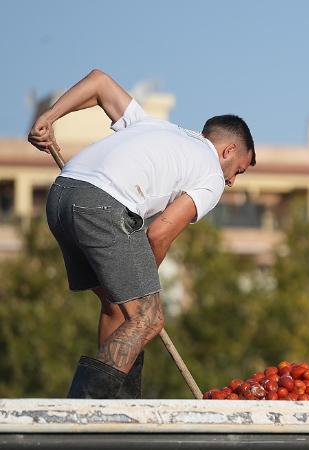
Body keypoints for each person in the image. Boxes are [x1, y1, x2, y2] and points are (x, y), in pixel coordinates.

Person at [27, 69, 255, 399]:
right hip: (104, 205)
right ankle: (85, 410)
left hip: (62, 197)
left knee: (117, 307)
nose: (232, 180)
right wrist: (144, 282)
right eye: (239, 171)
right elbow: (159, 234)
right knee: (148, 316)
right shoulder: (212, 175)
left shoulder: (154, 126)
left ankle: (123, 407)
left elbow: (99, 83)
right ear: (228, 150)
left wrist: (49, 117)